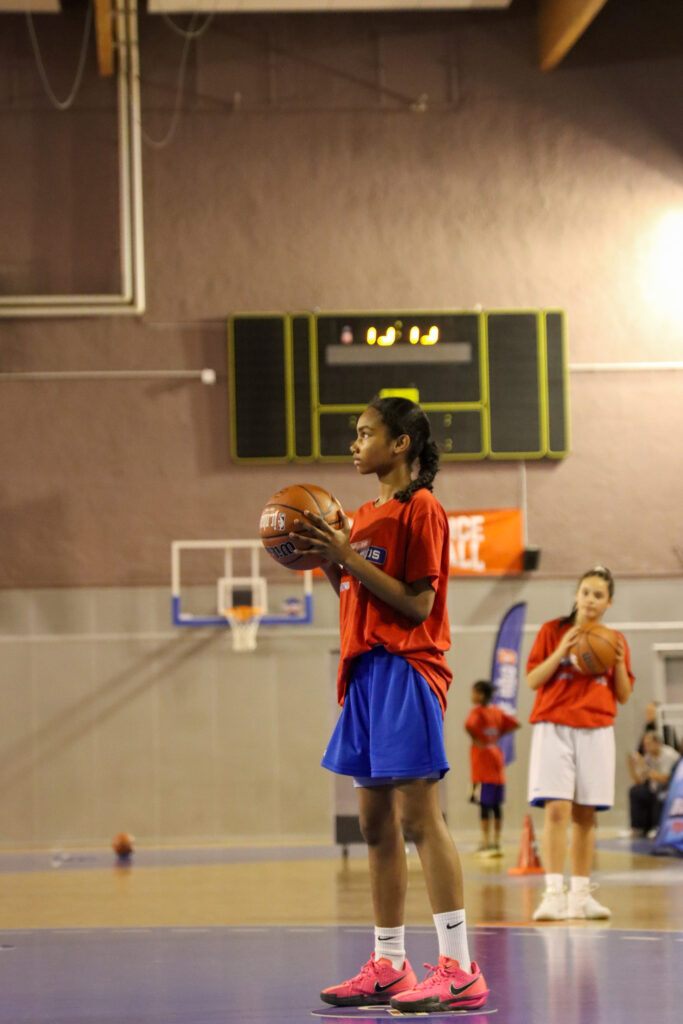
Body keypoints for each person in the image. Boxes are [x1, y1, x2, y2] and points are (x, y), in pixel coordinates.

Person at [289, 396, 488, 1014]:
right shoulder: (361, 517)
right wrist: (328, 558)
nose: (354, 444)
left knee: (420, 819)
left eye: (364, 433)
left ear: (400, 444)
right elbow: (355, 592)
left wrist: (346, 554)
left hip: (406, 667)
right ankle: (390, 964)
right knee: (374, 826)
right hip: (363, 673)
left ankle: (459, 968)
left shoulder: (420, 509)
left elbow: (418, 604)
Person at [526, 566, 634, 921]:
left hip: (596, 729)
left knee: (586, 814)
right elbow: (532, 680)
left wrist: (618, 662)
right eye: (585, 592)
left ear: (608, 602)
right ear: (577, 594)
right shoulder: (551, 631)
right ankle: (553, 894)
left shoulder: (614, 640)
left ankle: (581, 896)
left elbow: (624, 694)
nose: (590, 600)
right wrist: (562, 650)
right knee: (557, 810)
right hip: (554, 726)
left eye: (598, 595)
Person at [465, 680, 520, 856]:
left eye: (473, 692)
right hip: (496, 760)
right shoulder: (497, 711)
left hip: (482, 765)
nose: (472, 696)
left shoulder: (477, 712)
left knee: (484, 806)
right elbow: (515, 723)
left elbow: (468, 726)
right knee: (496, 806)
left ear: (480, 694)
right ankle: (497, 841)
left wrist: (478, 739)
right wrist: (495, 737)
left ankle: (485, 841)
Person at [628, 731, 680, 837]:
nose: (645, 747)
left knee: (659, 791)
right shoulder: (648, 757)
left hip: (670, 788)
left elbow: (665, 778)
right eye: (644, 745)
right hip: (653, 787)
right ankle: (637, 828)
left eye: (648, 744)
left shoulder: (669, 754)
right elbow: (639, 781)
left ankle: (657, 827)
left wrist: (643, 766)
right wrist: (632, 766)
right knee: (635, 791)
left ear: (657, 743)